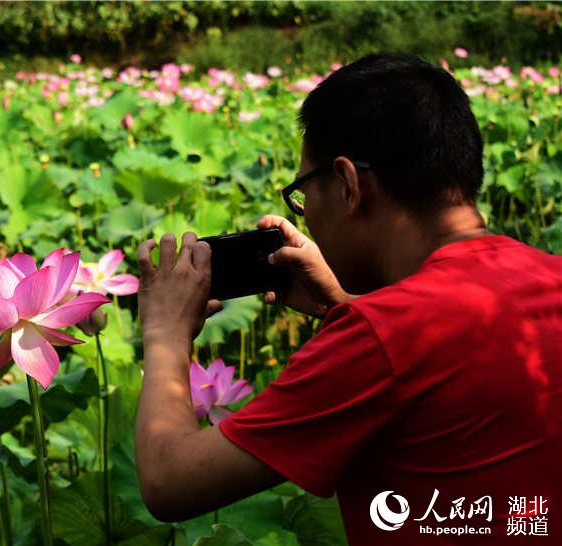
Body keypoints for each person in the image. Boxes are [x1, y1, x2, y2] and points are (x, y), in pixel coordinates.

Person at [134, 53, 561, 545]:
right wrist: (343, 304)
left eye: (301, 191)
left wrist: (164, 332)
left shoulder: (380, 338)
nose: (303, 212)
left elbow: (169, 481)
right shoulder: (551, 276)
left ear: (347, 184)